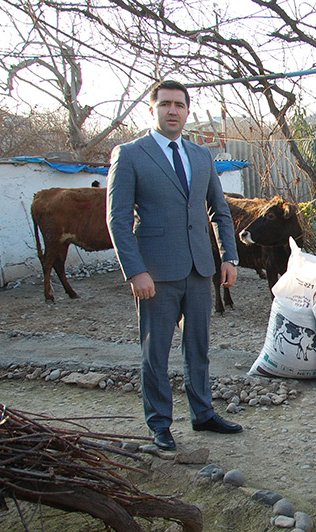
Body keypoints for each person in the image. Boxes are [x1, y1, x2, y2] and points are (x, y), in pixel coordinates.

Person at [107, 80, 243, 450]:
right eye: (165, 104)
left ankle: (203, 414)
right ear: (152, 109)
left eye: (179, 105)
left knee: (198, 348)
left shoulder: (200, 156)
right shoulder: (130, 154)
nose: (172, 110)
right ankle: (160, 425)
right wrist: (135, 271)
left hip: (200, 269)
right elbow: (117, 219)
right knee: (156, 352)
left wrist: (229, 256)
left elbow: (219, 210)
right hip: (155, 273)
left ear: (187, 111)